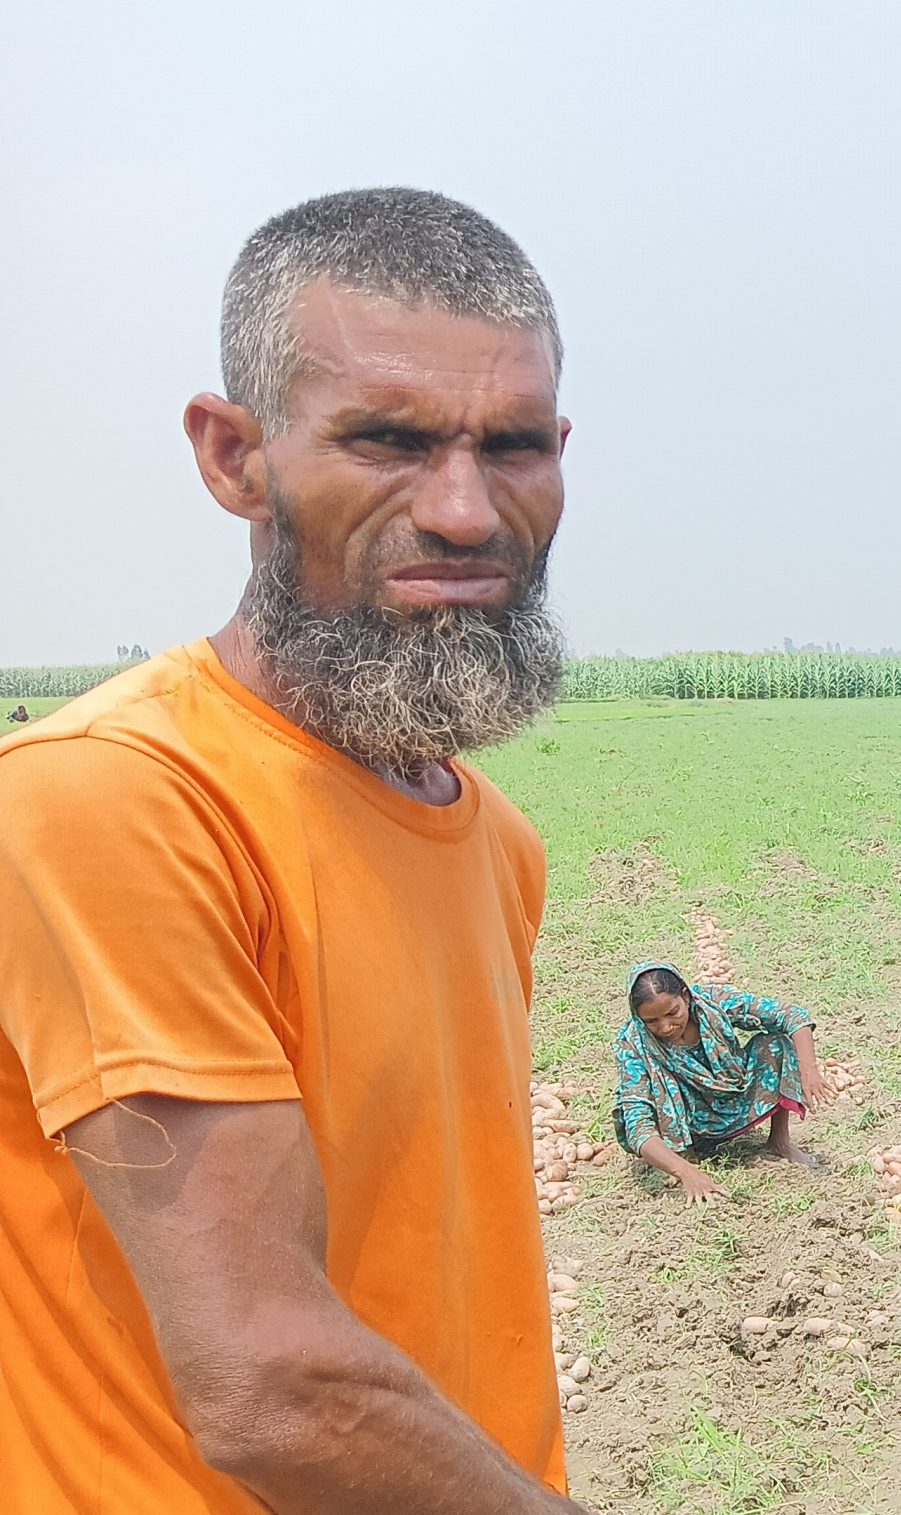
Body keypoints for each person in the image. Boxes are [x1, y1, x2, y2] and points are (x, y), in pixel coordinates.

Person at [0, 190, 586, 1514]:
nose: (462, 508)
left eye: (509, 447)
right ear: (233, 455)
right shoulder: (120, 800)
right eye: (387, 438)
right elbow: (268, 1384)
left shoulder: (493, 839)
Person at [616, 963, 824, 1202]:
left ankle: (779, 1141)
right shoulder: (632, 1045)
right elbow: (637, 1125)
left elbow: (791, 1015)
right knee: (656, 1088)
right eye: (652, 1021)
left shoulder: (713, 1001)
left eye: (673, 1013)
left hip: (733, 1098)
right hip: (689, 1125)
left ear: (686, 996)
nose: (665, 1027)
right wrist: (685, 1172)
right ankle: (684, 1155)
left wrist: (809, 1070)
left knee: (776, 1043)